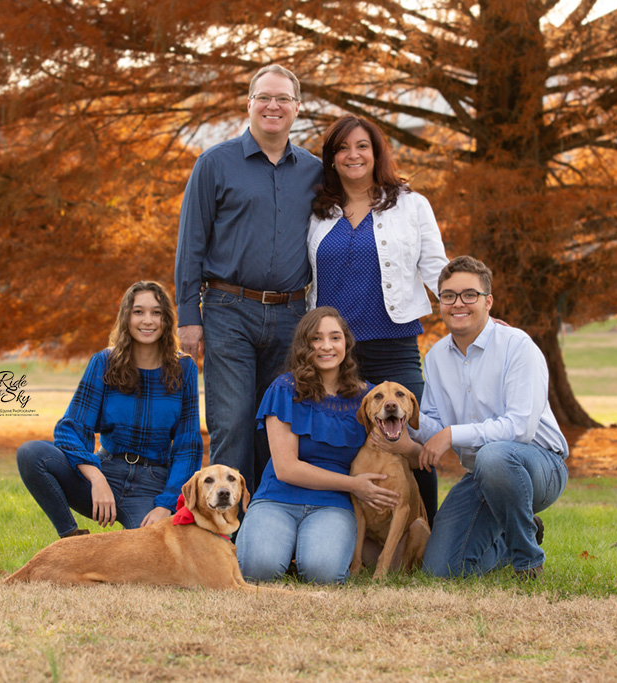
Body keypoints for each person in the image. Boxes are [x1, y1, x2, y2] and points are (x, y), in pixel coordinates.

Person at [175, 64, 323, 495]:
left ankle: (266, 534)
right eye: (264, 97)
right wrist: (189, 316)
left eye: (282, 99)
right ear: (249, 104)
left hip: (292, 314)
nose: (272, 106)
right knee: (233, 423)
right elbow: (191, 244)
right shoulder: (214, 164)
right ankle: (224, 540)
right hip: (228, 311)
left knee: (278, 426)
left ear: (297, 108)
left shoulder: (314, 172)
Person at [372, 256, 569, 580]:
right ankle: (515, 536)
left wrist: (450, 435)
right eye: (448, 295)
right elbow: (432, 423)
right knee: (441, 570)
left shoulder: (518, 346)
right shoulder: (435, 357)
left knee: (494, 456)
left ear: (488, 301)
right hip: (482, 474)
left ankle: (528, 560)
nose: (457, 303)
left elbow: (520, 428)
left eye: (469, 295)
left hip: (540, 467)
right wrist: (405, 428)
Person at [307, 114, 449, 526]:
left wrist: (479, 315)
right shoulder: (318, 212)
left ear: (377, 152)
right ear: (331, 159)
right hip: (334, 353)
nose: (353, 155)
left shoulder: (411, 205)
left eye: (362, 146)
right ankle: (345, 535)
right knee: (343, 441)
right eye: (342, 148)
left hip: (394, 344)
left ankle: (429, 533)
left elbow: (437, 269)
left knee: (411, 440)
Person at [16, 281, 203, 537]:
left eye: (156, 312)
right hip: (106, 471)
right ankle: (71, 539)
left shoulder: (184, 369)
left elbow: (187, 447)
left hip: (152, 483)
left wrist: (166, 504)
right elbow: (71, 428)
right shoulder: (104, 362)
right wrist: (96, 477)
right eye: (138, 311)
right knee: (32, 453)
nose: (147, 320)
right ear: (126, 316)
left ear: (166, 319)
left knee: (147, 560)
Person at [236, 307, 400, 584]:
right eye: (316, 338)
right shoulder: (285, 388)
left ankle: (303, 551)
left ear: (346, 343)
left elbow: (405, 444)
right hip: (278, 498)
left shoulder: (369, 398)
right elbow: (286, 469)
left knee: (322, 573)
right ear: (304, 345)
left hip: (333, 505)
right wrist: (355, 484)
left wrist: (427, 446)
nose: (326, 346)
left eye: (335, 338)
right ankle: (282, 549)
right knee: (258, 569)